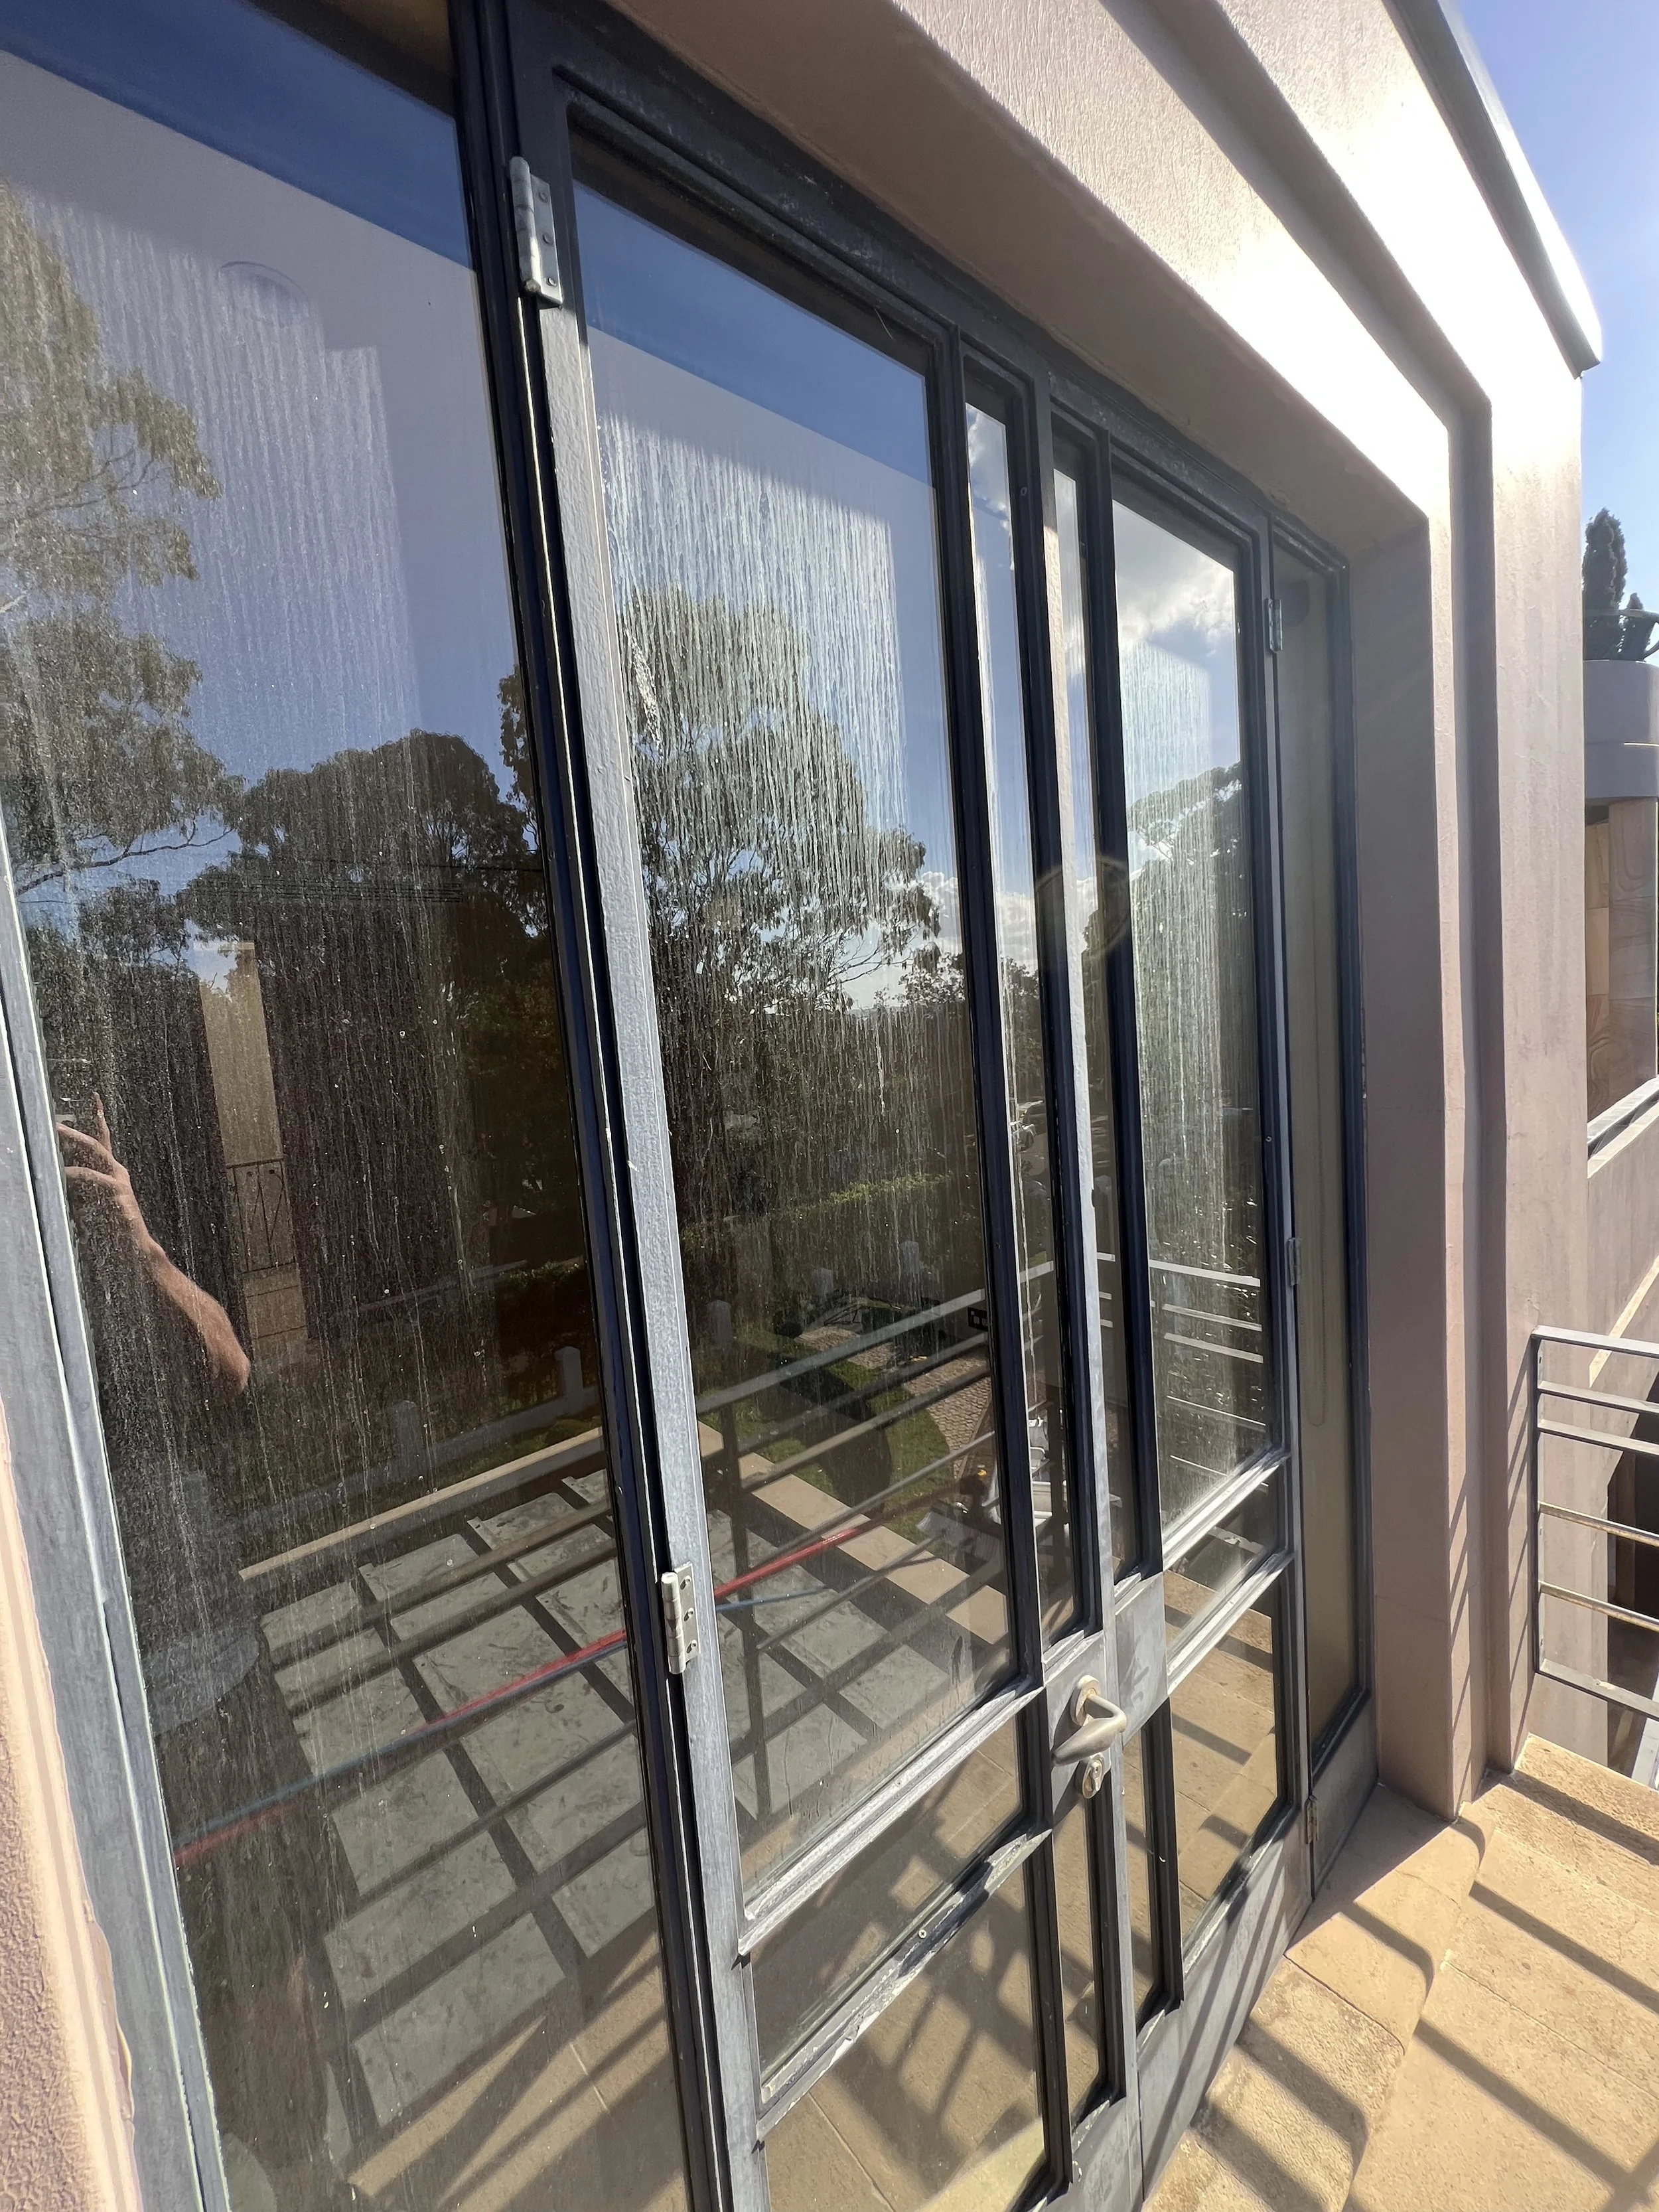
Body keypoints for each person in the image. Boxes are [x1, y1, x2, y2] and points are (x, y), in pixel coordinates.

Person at [60, 1098, 356, 2212]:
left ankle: (306, 2179)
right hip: (131, 1726)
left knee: (273, 1968)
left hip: (227, 1693)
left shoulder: (134, 1300)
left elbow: (228, 1366)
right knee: (196, 1993)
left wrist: (137, 1243)